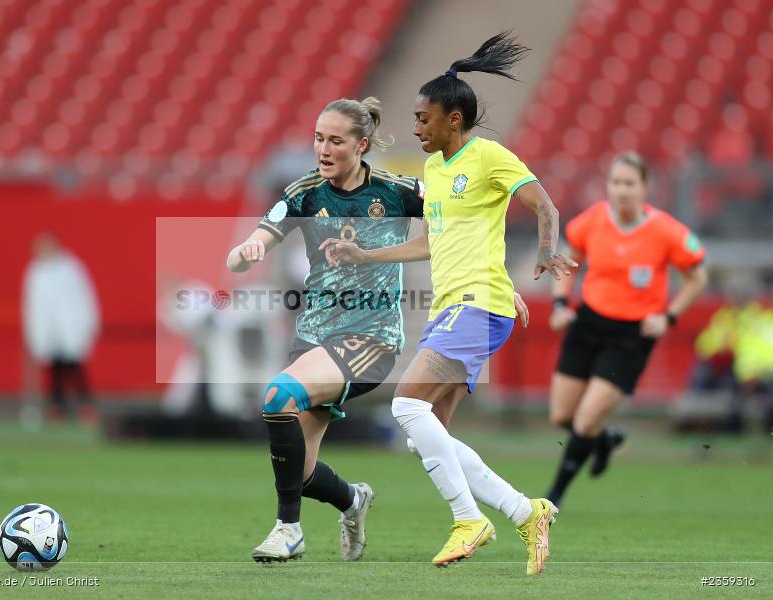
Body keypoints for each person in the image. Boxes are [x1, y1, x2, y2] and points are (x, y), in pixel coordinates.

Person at [322, 32, 576, 574]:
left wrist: (547, 253)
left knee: (404, 406)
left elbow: (544, 205)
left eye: (423, 119)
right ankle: (524, 511)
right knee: (426, 433)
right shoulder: (434, 171)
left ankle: (468, 518)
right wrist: (364, 255)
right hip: (460, 307)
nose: (416, 128)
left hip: (477, 304)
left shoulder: (488, 157)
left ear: (453, 120)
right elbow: (432, 242)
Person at [227, 96, 430, 563]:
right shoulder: (303, 193)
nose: (323, 148)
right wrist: (247, 252)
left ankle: (288, 530)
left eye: (335, 140)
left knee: (278, 396)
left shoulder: (398, 191)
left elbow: (453, 227)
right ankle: (352, 501)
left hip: (370, 340)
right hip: (314, 339)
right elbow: (250, 244)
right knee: (298, 470)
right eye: (319, 138)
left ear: (361, 145)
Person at [545, 152, 708, 506]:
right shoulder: (592, 221)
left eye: (630, 183)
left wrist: (668, 316)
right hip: (588, 322)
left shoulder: (666, 231)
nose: (622, 190)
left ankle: (553, 496)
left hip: (631, 335)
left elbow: (698, 277)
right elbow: (569, 263)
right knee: (561, 416)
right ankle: (604, 441)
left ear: (646, 188)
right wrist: (560, 304)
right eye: (616, 183)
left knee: (586, 420)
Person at [23, 233, 100, 425]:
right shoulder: (36, 272)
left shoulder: (72, 268)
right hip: (49, 329)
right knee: (54, 370)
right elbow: (32, 305)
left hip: (70, 326)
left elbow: (86, 297)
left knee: (75, 368)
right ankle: (58, 407)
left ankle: (85, 406)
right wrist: (33, 332)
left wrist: (90, 323)